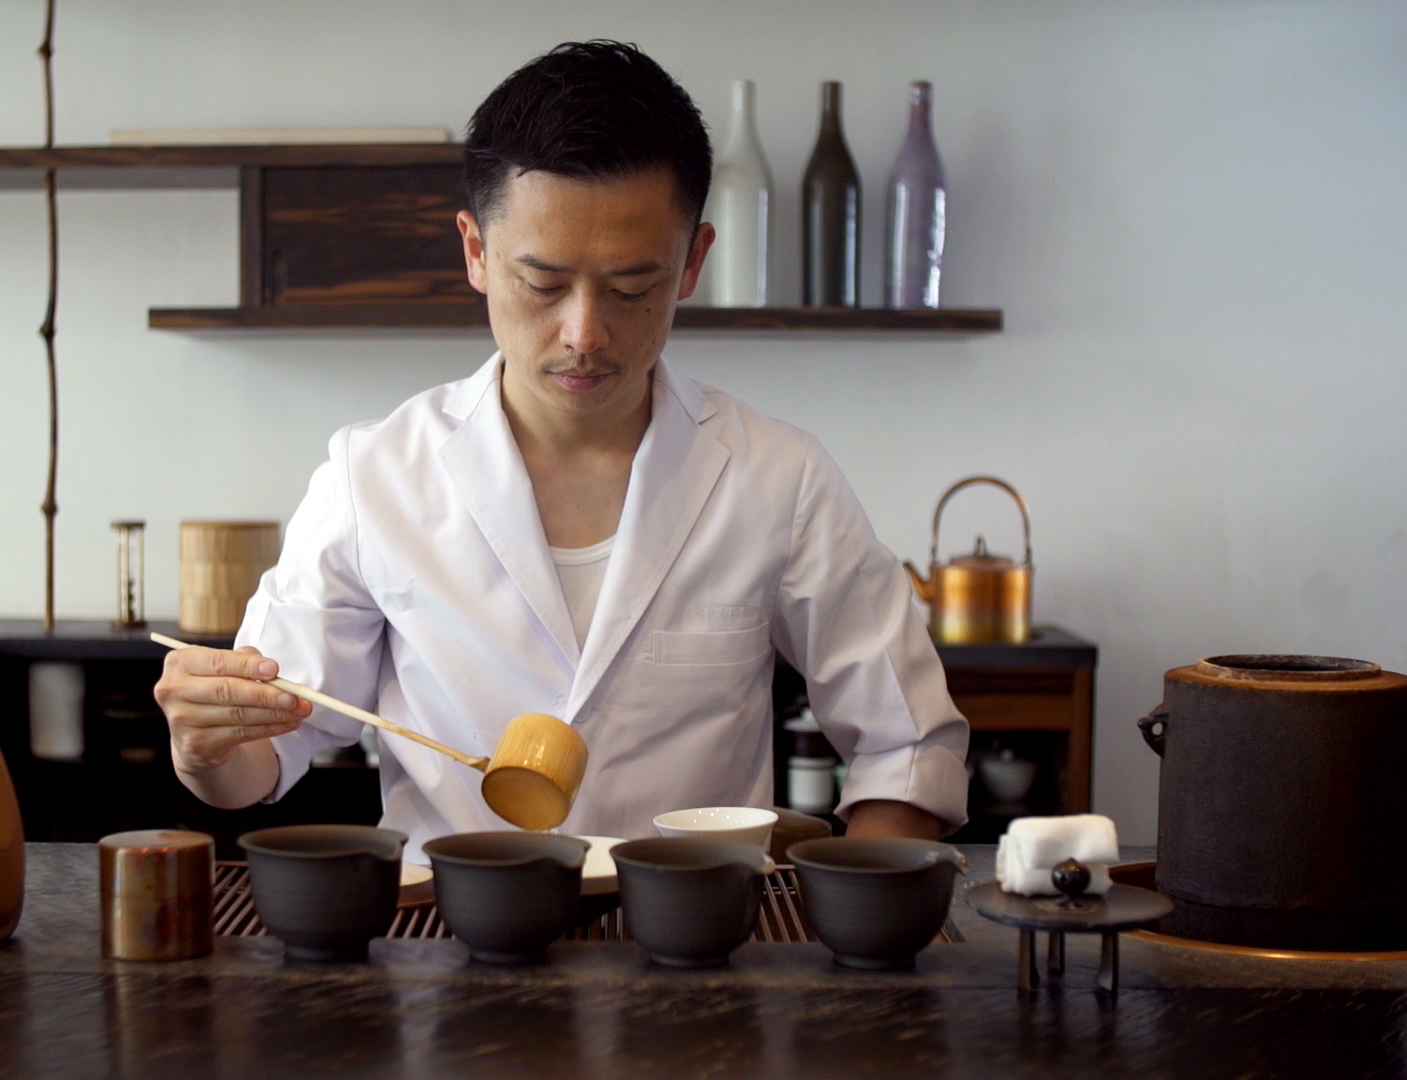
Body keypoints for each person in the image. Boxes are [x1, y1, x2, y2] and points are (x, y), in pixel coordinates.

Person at [154, 40, 968, 851]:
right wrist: (205, 745)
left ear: (692, 264)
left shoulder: (779, 478)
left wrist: (860, 925)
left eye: (631, 286)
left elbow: (907, 744)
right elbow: (262, 756)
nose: (585, 333)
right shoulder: (374, 477)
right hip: (440, 942)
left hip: (698, 955)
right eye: (542, 284)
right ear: (475, 251)